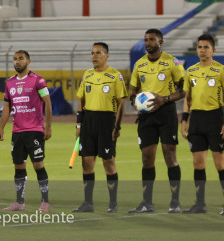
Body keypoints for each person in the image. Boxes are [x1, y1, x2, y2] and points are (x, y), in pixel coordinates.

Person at [129, 28, 185, 213]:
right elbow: (132, 91)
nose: (148, 43)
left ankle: (175, 203)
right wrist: (135, 102)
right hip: (146, 116)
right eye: (145, 39)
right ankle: (147, 203)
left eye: (152, 39)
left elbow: (183, 90)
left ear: (160, 42)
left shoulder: (172, 62)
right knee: (147, 158)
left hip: (166, 113)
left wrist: (164, 99)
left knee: (170, 156)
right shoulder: (139, 64)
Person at [71, 43, 128, 213]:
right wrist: (79, 125)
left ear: (107, 55)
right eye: (92, 53)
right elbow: (81, 101)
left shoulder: (115, 76)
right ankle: (88, 203)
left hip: (106, 121)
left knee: (108, 162)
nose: (94, 56)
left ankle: (113, 203)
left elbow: (121, 104)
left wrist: (117, 127)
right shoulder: (87, 75)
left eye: (98, 53)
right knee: (87, 162)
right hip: (88, 121)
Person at [0, 50, 54, 212]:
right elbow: (7, 106)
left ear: (28, 61)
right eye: (15, 59)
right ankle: (19, 202)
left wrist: (48, 126)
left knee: (38, 165)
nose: (17, 62)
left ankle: (45, 202)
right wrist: (2, 127)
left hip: (35, 130)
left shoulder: (38, 80)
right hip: (17, 132)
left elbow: (48, 103)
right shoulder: (9, 83)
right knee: (18, 167)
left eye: (21, 59)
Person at [181, 34, 224, 214]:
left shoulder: (221, 70)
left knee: (220, 164)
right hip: (197, 120)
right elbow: (187, 98)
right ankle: (200, 204)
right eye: (199, 47)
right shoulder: (190, 71)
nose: (202, 50)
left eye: (206, 47)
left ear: (213, 50)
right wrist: (184, 120)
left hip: (216, 118)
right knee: (198, 164)